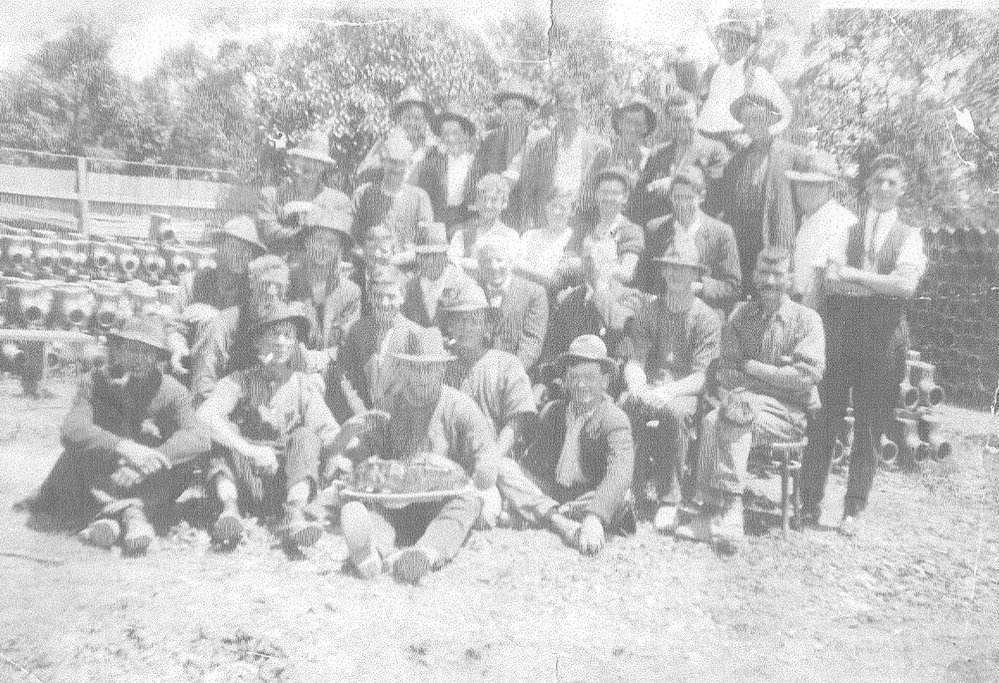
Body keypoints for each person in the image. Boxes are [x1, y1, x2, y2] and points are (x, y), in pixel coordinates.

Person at [802, 153, 927, 536]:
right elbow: (833, 279)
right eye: (878, 181)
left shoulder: (910, 235)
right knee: (825, 420)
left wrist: (858, 278)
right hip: (842, 336)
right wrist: (878, 282)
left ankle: (853, 510)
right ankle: (809, 504)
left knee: (869, 427)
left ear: (901, 189)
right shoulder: (848, 230)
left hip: (884, 342)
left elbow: (905, 286)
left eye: (892, 182)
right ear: (868, 186)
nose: (884, 188)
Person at [30, 315, 210, 554]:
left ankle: (110, 519)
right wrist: (124, 446)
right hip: (105, 471)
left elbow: (199, 436)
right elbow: (72, 428)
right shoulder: (94, 382)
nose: (136, 359)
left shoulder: (173, 391)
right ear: (118, 351)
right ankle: (131, 516)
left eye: (146, 352)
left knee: (186, 464)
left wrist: (152, 458)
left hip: (146, 477)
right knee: (72, 457)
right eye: (130, 349)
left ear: (158, 358)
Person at [684, 247, 824, 552]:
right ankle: (709, 510)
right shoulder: (740, 316)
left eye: (778, 274)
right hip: (745, 402)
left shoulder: (807, 320)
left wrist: (753, 367)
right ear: (754, 276)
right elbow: (727, 372)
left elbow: (805, 378)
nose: (770, 281)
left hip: (789, 414)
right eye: (764, 273)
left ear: (790, 279)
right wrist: (775, 375)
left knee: (736, 415)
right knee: (713, 419)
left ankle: (731, 511)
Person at [339, 326, 499, 583]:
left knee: (467, 503)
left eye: (430, 369)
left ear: (443, 370)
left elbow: (487, 459)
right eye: (415, 368)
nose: (423, 377)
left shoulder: (460, 407)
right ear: (405, 369)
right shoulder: (390, 406)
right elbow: (368, 449)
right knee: (375, 508)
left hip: (443, 502)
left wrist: (461, 473)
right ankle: (373, 553)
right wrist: (360, 460)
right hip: (401, 503)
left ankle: (425, 554)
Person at [197, 303, 339, 548]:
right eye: (275, 334)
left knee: (306, 436)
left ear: (295, 345)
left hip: (284, 483)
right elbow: (204, 415)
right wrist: (249, 450)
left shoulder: (301, 384)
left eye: (289, 336)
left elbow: (328, 432)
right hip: (243, 478)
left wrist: (349, 440)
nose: (282, 342)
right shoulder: (240, 380)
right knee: (223, 432)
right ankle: (229, 513)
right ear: (258, 343)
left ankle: (294, 516)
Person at [619, 240, 721, 532]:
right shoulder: (650, 311)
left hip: (685, 390)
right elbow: (637, 358)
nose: (676, 276)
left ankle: (668, 498)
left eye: (684, 271)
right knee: (626, 405)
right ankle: (628, 487)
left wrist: (667, 392)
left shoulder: (705, 317)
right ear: (663, 271)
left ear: (695, 276)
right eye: (671, 269)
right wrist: (638, 385)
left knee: (674, 414)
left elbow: (702, 377)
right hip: (652, 384)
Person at [519, 335, 637, 555]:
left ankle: (550, 513)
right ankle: (559, 518)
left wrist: (594, 518)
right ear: (565, 380)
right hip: (555, 492)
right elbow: (532, 466)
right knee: (507, 469)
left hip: (587, 496)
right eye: (575, 377)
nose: (582, 385)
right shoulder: (554, 412)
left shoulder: (614, 419)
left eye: (590, 377)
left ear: (605, 381)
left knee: (622, 495)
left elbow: (619, 474)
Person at [191, 255, 324, 404]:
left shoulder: (286, 325)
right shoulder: (225, 323)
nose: (271, 292)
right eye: (265, 284)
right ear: (252, 285)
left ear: (286, 290)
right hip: (231, 403)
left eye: (278, 286)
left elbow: (302, 368)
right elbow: (205, 376)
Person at [709, 90, 806, 289]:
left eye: (758, 118)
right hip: (742, 243)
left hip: (775, 239)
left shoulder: (792, 155)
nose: (752, 125)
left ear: (771, 119)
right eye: (747, 120)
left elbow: (806, 202)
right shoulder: (736, 159)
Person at [535, 239, 645, 398]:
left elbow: (618, 324)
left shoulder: (631, 297)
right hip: (571, 384)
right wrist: (544, 381)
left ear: (614, 264)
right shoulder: (569, 299)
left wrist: (599, 286)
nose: (591, 266)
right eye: (587, 259)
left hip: (609, 385)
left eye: (598, 260)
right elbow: (553, 347)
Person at [640, 165, 742, 316]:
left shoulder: (721, 233)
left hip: (703, 312)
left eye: (689, 198)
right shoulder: (655, 229)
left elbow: (732, 287)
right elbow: (643, 279)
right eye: (677, 197)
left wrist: (699, 287)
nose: (682, 204)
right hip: (662, 311)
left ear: (701, 197)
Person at [517, 83, 611, 232]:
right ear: (556, 111)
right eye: (563, 110)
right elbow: (528, 188)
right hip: (546, 221)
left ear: (581, 111)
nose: (568, 115)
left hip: (583, 223)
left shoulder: (599, 147)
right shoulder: (541, 146)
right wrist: (526, 224)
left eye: (573, 110)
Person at [695, 12, 793, 147]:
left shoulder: (757, 74)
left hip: (737, 146)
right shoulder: (712, 72)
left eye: (738, 39)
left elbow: (786, 112)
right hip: (703, 141)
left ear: (747, 45)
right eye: (728, 38)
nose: (732, 44)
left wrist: (756, 136)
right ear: (722, 41)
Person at [635, 93, 730, 230]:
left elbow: (717, 193)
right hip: (663, 234)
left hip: (699, 232)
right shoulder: (658, 154)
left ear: (697, 116)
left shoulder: (715, 150)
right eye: (676, 120)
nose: (682, 125)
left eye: (688, 119)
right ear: (668, 120)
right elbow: (641, 197)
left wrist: (673, 184)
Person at [257, 130, 353, 262]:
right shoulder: (271, 196)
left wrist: (310, 214)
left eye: (318, 161)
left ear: (324, 166)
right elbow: (269, 234)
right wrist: (310, 231)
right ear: (294, 161)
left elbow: (341, 239)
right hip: (284, 272)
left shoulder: (338, 201)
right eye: (306, 159)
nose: (311, 166)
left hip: (321, 274)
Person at [336, 267, 421, 415]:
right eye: (378, 296)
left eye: (391, 297)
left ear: (402, 297)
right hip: (363, 418)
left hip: (402, 421)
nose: (384, 303)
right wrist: (362, 414)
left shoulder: (416, 336)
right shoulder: (356, 331)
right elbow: (346, 379)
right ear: (369, 297)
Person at [785, 151, 856, 312]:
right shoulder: (807, 218)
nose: (806, 191)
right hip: (800, 301)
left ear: (830, 187)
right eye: (801, 184)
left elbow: (819, 280)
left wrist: (802, 322)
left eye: (815, 185)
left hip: (823, 308)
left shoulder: (838, 219)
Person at [351, 132, 434, 266]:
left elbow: (427, 244)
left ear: (410, 164)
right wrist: (372, 257)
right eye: (392, 162)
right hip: (369, 268)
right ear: (383, 162)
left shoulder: (419, 197)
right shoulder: (364, 194)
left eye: (402, 163)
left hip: (407, 271)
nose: (397, 168)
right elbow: (352, 241)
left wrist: (398, 259)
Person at [286, 213, 361, 355]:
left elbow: (349, 339)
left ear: (340, 249)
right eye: (318, 240)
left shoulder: (351, 292)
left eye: (331, 243)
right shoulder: (288, 281)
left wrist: (325, 358)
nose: (323, 247)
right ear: (307, 242)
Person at [469, 76, 540, 226]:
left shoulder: (536, 141)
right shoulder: (491, 139)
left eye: (516, 108)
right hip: (495, 214)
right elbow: (476, 175)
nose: (510, 113)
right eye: (506, 108)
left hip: (526, 215)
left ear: (526, 110)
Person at [477, 235, 549, 373]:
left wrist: (510, 375)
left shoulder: (534, 293)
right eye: (487, 261)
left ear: (510, 261)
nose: (494, 266)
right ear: (480, 266)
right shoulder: (474, 291)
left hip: (518, 375)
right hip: (481, 374)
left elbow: (531, 341)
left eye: (499, 260)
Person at [565, 166, 645, 286]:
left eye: (614, 193)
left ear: (625, 197)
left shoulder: (631, 231)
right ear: (597, 195)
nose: (608, 198)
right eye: (604, 192)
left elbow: (626, 273)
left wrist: (589, 266)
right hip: (579, 289)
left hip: (612, 295)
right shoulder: (585, 227)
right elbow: (567, 259)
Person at [179, 215, 265, 313]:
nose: (242, 255)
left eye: (249, 251)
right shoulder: (192, 282)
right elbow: (173, 324)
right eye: (235, 247)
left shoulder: (252, 291)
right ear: (220, 247)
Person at [356, 86, 437, 185]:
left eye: (417, 118)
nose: (412, 123)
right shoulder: (386, 143)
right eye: (407, 118)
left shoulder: (432, 149)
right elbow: (362, 172)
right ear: (399, 120)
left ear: (425, 121)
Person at [448, 174, 520, 275]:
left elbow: (510, 269)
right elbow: (451, 265)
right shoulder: (463, 234)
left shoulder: (510, 236)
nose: (488, 205)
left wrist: (466, 263)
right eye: (484, 199)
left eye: (494, 200)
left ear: (504, 203)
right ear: (477, 202)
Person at [418, 107, 477, 229]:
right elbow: (423, 200)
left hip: (466, 223)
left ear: (465, 134)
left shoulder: (475, 165)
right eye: (445, 134)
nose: (450, 138)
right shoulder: (431, 165)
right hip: (437, 223)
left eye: (455, 132)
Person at [402, 222, 469, 327]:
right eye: (425, 256)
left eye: (436, 255)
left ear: (445, 257)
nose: (431, 262)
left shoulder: (460, 284)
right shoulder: (411, 287)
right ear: (418, 258)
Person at [515, 188, 577, 291]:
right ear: (546, 207)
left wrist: (529, 270)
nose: (556, 212)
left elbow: (558, 281)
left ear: (572, 212)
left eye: (562, 208)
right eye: (553, 206)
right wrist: (545, 274)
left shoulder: (574, 239)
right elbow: (516, 266)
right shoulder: (529, 235)